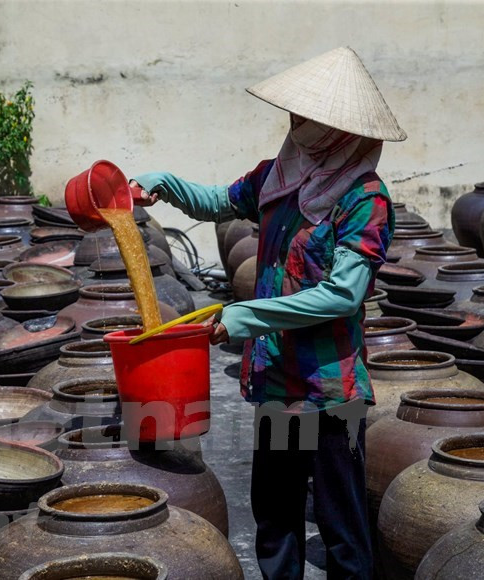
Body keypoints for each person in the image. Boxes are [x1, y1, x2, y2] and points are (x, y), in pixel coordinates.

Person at [129, 46, 406, 579]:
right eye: (295, 114)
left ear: (338, 129)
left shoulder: (363, 199)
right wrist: (164, 184)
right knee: (275, 519)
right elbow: (219, 201)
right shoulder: (279, 176)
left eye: (307, 118)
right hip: (278, 382)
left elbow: (343, 296)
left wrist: (245, 317)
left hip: (329, 391)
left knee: (342, 525)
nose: (295, 124)